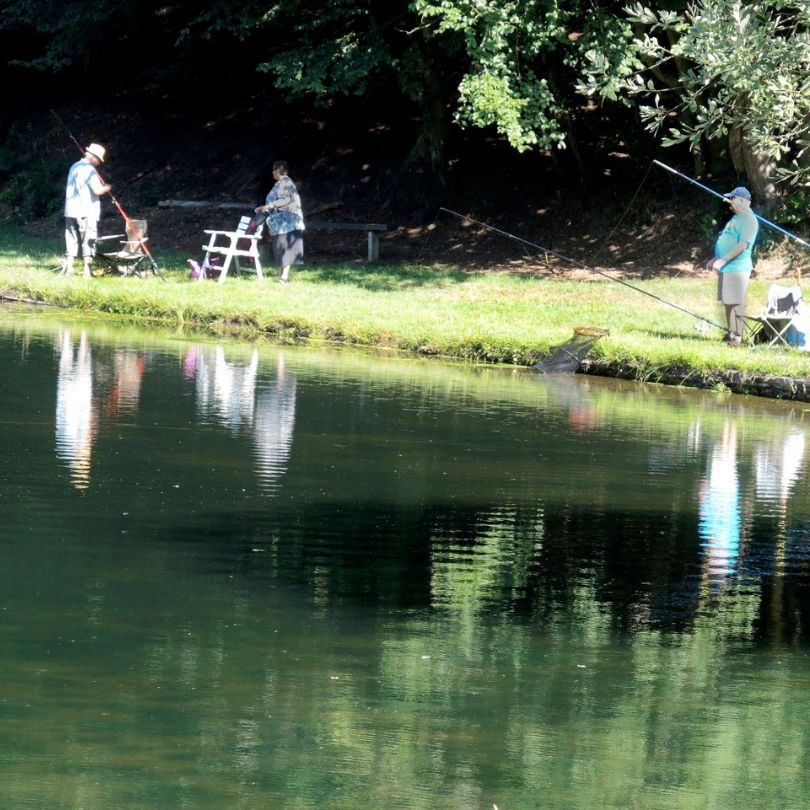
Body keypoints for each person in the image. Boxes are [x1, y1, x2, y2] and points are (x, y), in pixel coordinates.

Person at [706, 185, 759, 345]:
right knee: (728, 301)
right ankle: (731, 334)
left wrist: (723, 259)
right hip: (726, 267)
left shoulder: (749, 220)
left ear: (743, 201)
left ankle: (738, 336)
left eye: (732, 198)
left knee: (736, 302)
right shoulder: (737, 217)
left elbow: (742, 245)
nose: (729, 201)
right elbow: (727, 239)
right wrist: (714, 258)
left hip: (737, 267)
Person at [63, 143, 112, 277]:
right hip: (86, 210)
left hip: (70, 210)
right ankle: (86, 271)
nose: (98, 163)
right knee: (88, 240)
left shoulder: (74, 166)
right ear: (93, 157)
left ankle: (69, 269)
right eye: (98, 160)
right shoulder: (90, 170)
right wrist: (107, 187)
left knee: (71, 239)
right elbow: (97, 190)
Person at [255, 160, 305, 283]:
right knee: (279, 248)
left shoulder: (286, 183)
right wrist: (263, 207)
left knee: (286, 249)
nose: (272, 172)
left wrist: (269, 206)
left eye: (273, 169)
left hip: (288, 222)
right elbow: (276, 202)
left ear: (278, 171)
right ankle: (281, 276)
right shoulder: (279, 184)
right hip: (279, 223)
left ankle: (284, 277)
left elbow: (286, 200)